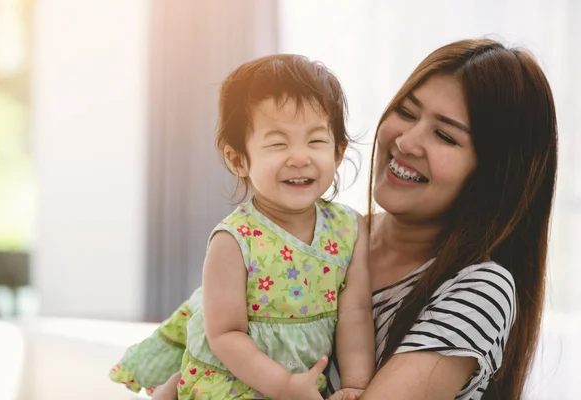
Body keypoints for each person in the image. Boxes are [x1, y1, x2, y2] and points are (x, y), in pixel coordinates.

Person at [154, 38, 558, 400]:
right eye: (406, 111)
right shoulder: (308, 235)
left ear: (492, 175)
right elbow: (207, 349)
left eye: (446, 136)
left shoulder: (479, 290)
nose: (407, 141)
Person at [110, 54, 375, 399]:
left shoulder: (349, 227)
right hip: (232, 382)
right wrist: (284, 385)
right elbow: (224, 334)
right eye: (278, 143)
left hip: (303, 386)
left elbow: (355, 312)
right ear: (238, 159)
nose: (300, 157)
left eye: (316, 141)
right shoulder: (234, 240)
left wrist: (356, 386)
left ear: (338, 152)